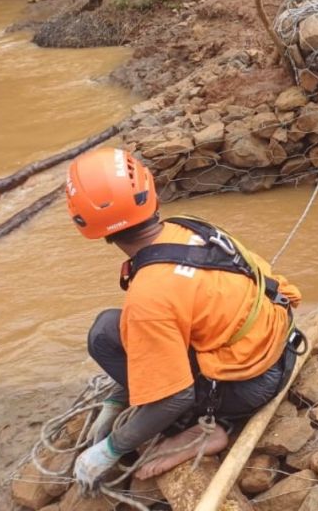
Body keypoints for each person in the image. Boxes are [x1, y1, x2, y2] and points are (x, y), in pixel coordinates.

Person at [66, 148, 304, 492]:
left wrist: (111, 449)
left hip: (251, 385)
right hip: (282, 348)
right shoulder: (191, 228)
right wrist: (118, 399)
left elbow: (174, 397)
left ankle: (206, 428)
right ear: (149, 192)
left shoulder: (149, 296)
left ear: (83, 222)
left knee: (104, 334)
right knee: (116, 326)